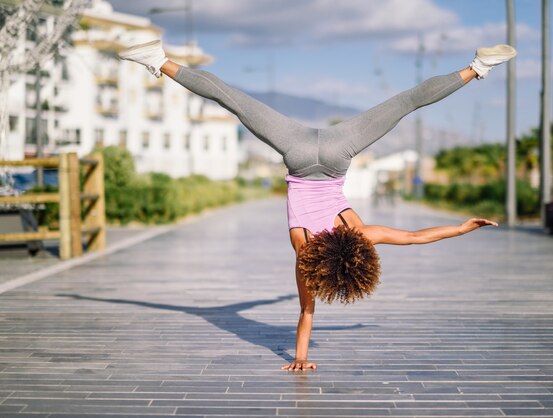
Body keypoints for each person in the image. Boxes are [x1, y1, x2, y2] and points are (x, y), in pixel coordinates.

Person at [119, 41, 515, 371]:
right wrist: (300, 359)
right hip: (297, 153)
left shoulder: (362, 236)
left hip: (340, 150)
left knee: (404, 102)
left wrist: (462, 226)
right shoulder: (305, 254)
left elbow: (412, 237)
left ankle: (477, 66)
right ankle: (158, 60)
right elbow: (306, 315)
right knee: (234, 100)